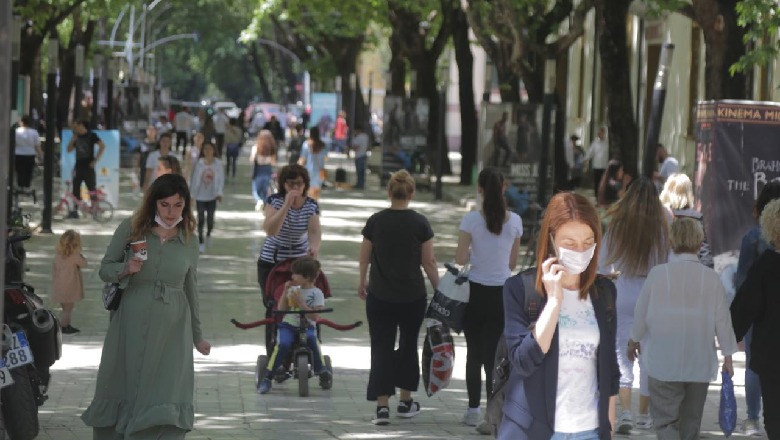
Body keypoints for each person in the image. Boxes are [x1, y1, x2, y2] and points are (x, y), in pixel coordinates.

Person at [81, 173, 211, 439]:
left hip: (173, 330)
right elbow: (104, 269)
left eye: (177, 205)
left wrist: (198, 337)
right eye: (165, 204)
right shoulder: (131, 229)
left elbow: (191, 288)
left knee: (166, 390)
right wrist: (125, 268)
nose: (172, 212)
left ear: (186, 205)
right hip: (130, 322)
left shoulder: (189, 239)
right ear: (153, 203)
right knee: (120, 384)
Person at [498, 191, 619, 440]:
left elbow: (609, 367)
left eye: (588, 241)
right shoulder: (520, 290)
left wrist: (609, 426)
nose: (581, 250)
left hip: (589, 430)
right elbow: (523, 360)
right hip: (534, 429)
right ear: (551, 240)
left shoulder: (604, 293)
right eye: (570, 243)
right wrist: (554, 302)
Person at [629, 217, 737, 440]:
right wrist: (728, 356)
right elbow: (722, 320)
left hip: (662, 362)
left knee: (666, 422)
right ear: (699, 243)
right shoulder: (711, 278)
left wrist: (633, 340)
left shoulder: (658, 274)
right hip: (699, 363)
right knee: (691, 425)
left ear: (671, 241)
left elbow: (641, 313)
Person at [358, 170, 440, 426]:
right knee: (408, 345)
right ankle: (405, 401)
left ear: (389, 192)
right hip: (412, 297)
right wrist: (440, 290)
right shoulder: (420, 223)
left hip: (380, 295)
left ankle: (382, 407)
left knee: (380, 346)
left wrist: (362, 281)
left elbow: (365, 257)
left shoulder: (375, 221)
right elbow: (428, 261)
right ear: (412, 193)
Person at [454, 167, 523, 432]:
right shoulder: (514, 221)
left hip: (475, 292)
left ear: (479, 189)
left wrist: (476, 253)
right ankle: (494, 412)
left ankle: (473, 409)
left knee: (473, 352)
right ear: (503, 188)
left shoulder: (471, 220)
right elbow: (513, 262)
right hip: (502, 294)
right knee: (496, 357)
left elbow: (460, 260)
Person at [599, 177, 669, 433]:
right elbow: (669, 266)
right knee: (649, 358)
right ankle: (643, 415)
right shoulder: (663, 228)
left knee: (621, 355)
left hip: (624, 292)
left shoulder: (617, 225)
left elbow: (602, 267)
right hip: (652, 295)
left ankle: (625, 413)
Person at [733, 181, 780, 436]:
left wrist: (730, 334)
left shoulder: (763, 260)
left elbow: (745, 293)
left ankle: (752, 418)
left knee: (773, 415)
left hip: (769, 343)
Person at [257, 256, 332, 394]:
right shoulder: (293, 290)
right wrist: (285, 293)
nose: (292, 276)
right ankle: (268, 377)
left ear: (307, 277)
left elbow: (315, 316)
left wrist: (301, 303)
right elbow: (281, 308)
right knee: (283, 344)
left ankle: (321, 368)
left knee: (312, 340)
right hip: (289, 325)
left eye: (296, 274)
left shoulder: (317, 293)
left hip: (307, 325)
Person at [257, 164, 322, 302]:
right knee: (273, 303)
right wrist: (286, 205)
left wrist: (314, 248)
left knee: (301, 302)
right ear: (283, 185)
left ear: (305, 184)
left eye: (299, 183)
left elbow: (315, 232)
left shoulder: (311, 205)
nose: (295, 187)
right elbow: (271, 230)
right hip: (272, 260)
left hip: (299, 262)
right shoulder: (274, 201)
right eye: (291, 183)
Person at [659, 173, 714, 268]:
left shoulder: (659, 215)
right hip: (691, 271)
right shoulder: (696, 217)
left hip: (663, 270)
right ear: (688, 192)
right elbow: (704, 252)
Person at [66, 120, 106, 219]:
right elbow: (69, 150)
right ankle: (74, 212)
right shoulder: (76, 136)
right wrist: (73, 139)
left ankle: (95, 210)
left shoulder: (91, 135)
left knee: (91, 188)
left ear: (82, 126)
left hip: (88, 167)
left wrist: (95, 160)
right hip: (78, 166)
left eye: (76, 126)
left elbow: (102, 146)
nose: (75, 129)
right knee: (75, 189)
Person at [190, 142, 224, 254]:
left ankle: (208, 233)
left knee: (210, 219)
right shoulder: (199, 163)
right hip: (200, 196)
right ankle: (201, 242)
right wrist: (192, 196)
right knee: (200, 219)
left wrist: (219, 193)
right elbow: (194, 179)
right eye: (205, 149)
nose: (207, 151)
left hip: (212, 196)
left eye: (210, 149)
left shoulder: (218, 163)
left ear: (214, 150)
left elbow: (221, 180)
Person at [51, 229, 87, 334]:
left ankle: (66, 324)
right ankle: (63, 326)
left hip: (59, 286)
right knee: (68, 309)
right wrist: (80, 254)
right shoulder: (74, 257)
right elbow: (84, 263)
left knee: (65, 308)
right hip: (70, 287)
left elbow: (54, 271)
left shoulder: (58, 257)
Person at [250, 130, 277, 211]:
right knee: (265, 190)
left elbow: (252, 159)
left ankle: (258, 200)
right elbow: (273, 162)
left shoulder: (256, 147)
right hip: (268, 170)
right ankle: (264, 206)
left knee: (255, 189)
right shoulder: (272, 149)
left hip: (258, 170)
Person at [298, 126, 327, 201]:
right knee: (317, 193)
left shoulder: (306, 144)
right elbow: (326, 159)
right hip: (320, 171)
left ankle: (310, 209)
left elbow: (302, 159)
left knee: (309, 193)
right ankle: (315, 208)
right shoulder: (323, 145)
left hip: (308, 171)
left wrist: (297, 169)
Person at [14, 115, 42, 190]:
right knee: (28, 171)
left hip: (18, 154)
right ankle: (27, 185)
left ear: (22, 122)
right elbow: (37, 145)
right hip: (30, 154)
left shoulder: (16, 131)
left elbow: (12, 143)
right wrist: (40, 155)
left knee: (20, 171)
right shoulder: (34, 132)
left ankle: (20, 186)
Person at [583, 126, 609, 191]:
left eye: (601, 133)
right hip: (597, 166)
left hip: (605, 166)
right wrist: (586, 159)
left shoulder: (607, 143)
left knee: (604, 183)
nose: (599, 135)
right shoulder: (595, 143)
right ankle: (597, 196)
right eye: (598, 133)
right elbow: (590, 152)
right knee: (597, 182)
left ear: (604, 133)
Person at [352, 123, 369, 189]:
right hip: (364, 155)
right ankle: (361, 184)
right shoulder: (365, 136)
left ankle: (359, 184)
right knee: (362, 172)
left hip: (358, 156)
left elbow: (355, 147)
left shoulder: (358, 137)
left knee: (359, 171)